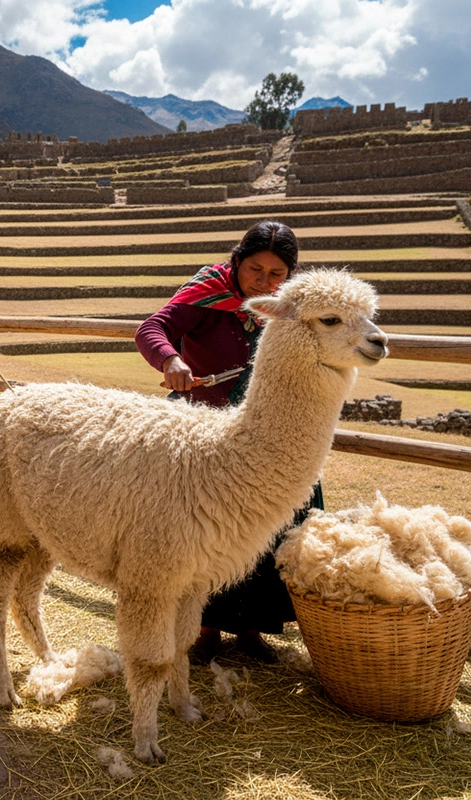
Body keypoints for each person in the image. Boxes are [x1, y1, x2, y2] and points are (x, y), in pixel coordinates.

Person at [134, 220, 321, 664]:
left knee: (270, 528)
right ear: (237, 261)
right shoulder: (207, 294)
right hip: (208, 439)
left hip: (272, 437)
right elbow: (152, 329)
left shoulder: (292, 308)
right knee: (205, 532)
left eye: (277, 274)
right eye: (255, 269)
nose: (265, 281)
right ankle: (204, 629)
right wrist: (171, 360)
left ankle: (253, 629)